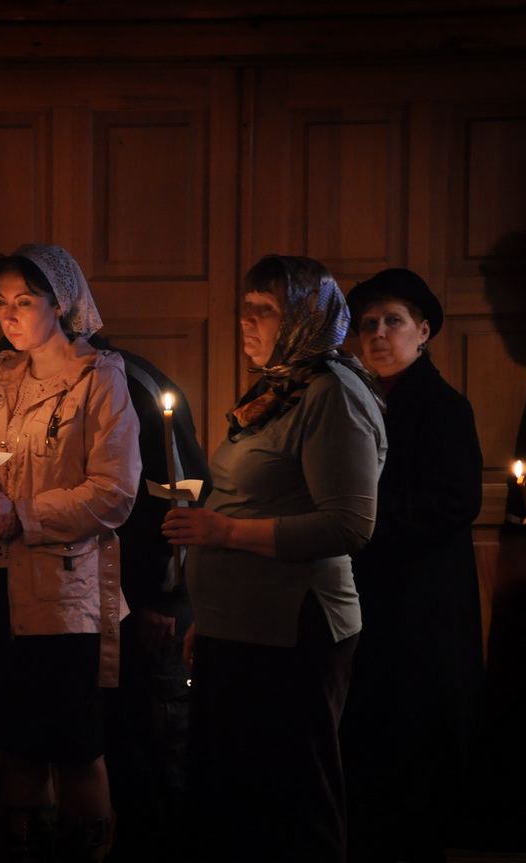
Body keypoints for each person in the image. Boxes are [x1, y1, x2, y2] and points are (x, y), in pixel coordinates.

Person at [162, 254, 386, 863]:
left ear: (306, 318)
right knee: (239, 806)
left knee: (294, 806)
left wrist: (223, 532)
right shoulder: (280, 388)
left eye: (265, 309)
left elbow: (349, 524)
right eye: (246, 307)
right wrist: (211, 618)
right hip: (240, 629)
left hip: (293, 630)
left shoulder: (332, 394)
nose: (247, 320)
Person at [0, 244, 141, 862]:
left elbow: (113, 493)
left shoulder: (98, 379)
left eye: (24, 302)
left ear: (59, 304)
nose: (9, 315)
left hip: (64, 599)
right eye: (1, 303)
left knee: (74, 745)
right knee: (14, 744)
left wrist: (24, 514)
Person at [341, 268, 483, 862]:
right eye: (367, 323)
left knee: (415, 745)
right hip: (377, 596)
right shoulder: (362, 399)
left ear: (422, 332)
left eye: (392, 321)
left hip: (421, 604)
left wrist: (356, 524)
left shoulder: (440, 405)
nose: (377, 333)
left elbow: (454, 501)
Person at [102, 350, 207, 863]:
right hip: (97, 598)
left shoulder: (133, 381)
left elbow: (181, 489)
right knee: (119, 741)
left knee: (164, 740)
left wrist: (166, 593)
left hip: (152, 598)